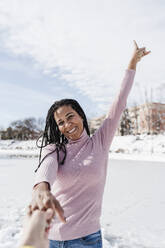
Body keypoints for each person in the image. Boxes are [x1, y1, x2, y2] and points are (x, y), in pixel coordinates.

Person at [30, 40, 150, 248]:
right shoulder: (55, 150)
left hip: (88, 239)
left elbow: (119, 102)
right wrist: (41, 186)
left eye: (70, 117)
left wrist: (132, 63)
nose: (67, 125)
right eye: (60, 122)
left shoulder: (100, 142)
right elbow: (46, 170)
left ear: (81, 117)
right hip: (53, 239)